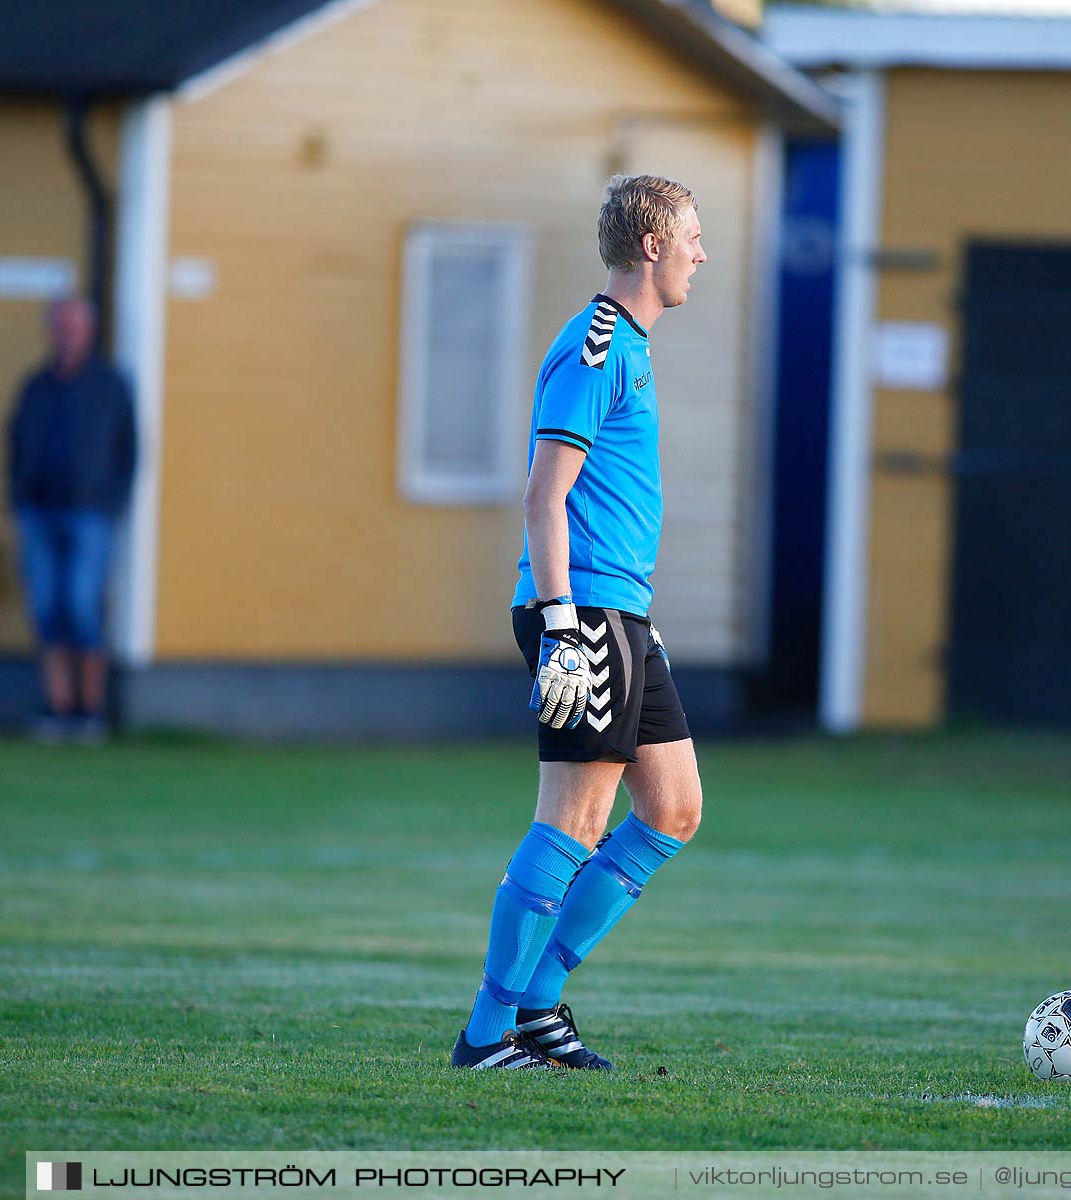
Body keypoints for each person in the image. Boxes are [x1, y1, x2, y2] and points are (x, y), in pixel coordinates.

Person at [451, 176, 708, 1070]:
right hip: (582, 614)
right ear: (651, 245)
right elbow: (544, 495)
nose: (700, 255)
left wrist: (635, 621)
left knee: (672, 810)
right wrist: (566, 624)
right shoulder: (595, 347)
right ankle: (491, 1031)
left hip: (620, 615)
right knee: (573, 822)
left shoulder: (631, 347)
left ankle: (540, 1005)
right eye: (692, 239)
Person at [6, 297, 136, 744]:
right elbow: (16, 441)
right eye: (62, 327)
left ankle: (90, 708)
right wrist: (18, 495)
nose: (69, 335)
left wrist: (110, 502)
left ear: (91, 332)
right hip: (38, 511)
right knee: (46, 608)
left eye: (77, 327)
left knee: (82, 607)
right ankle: (55, 704)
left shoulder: (109, 386)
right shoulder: (37, 385)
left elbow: (129, 450)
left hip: (89, 514)